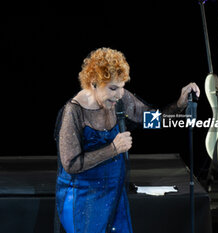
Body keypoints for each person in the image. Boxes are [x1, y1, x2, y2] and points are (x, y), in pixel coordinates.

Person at [54, 47, 200, 233]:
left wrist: (180, 103)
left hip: (114, 194)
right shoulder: (74, 111)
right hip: (82, 199)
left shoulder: (120, 100)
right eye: (113, 88)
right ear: (94, 83)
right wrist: (113, 149)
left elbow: (152, 120)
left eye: (122, 87)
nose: (119, 94)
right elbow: (71, 164)